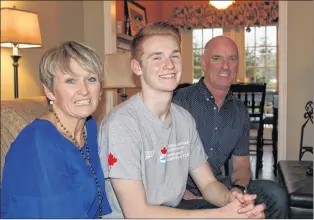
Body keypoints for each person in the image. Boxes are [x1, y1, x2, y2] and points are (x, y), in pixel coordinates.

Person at [98, 21, 265, 218]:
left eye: (174, 56)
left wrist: (232, 199)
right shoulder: (122, 124)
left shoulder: (183, 119)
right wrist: (223, 215)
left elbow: (209, 184)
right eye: (157, 57)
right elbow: (137, 213)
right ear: (137, 67)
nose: (169, 65)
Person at [172, 36, 289, 218]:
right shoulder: (180, 101)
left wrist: (238, 190)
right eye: (217, 58)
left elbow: (241, 164)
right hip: (181, 194)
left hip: (220, 188)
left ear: (237, 65)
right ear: (204, 63)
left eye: (232, 59)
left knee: (275, 194)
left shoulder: (240, 111)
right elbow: (162, 162)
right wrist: (181, 194)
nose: (225, 66)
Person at [1, 41, 112, 218]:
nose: (84, 90)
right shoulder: (39, 144)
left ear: (100, 89)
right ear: (50, 91)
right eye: (71, 81)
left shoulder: (87, 125)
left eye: (91, 79)